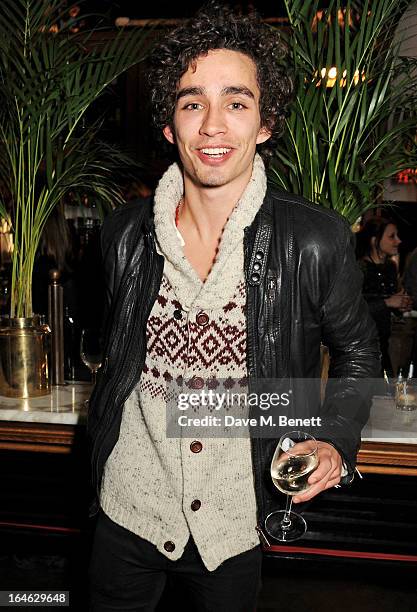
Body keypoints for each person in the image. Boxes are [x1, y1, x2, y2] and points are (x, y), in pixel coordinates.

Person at [87, 3, 380, 610]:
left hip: (234, 520)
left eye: (236, 103)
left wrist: (332, 437)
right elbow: (117, 366)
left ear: (265, 123)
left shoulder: (314, 240)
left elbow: (358, 351)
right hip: (127, 509)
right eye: (193, 103)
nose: (213, 125)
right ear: (170, 126)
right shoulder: (121, 234)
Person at [356, 216, 412, 377]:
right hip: (361, 348)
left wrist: (401, 305)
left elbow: (389, 306)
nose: (398, 241)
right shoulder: (359, 268)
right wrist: (388, 302)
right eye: (391, 236)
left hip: (383, 344)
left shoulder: (391, 267)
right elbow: (353, 310)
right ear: (375, 241)